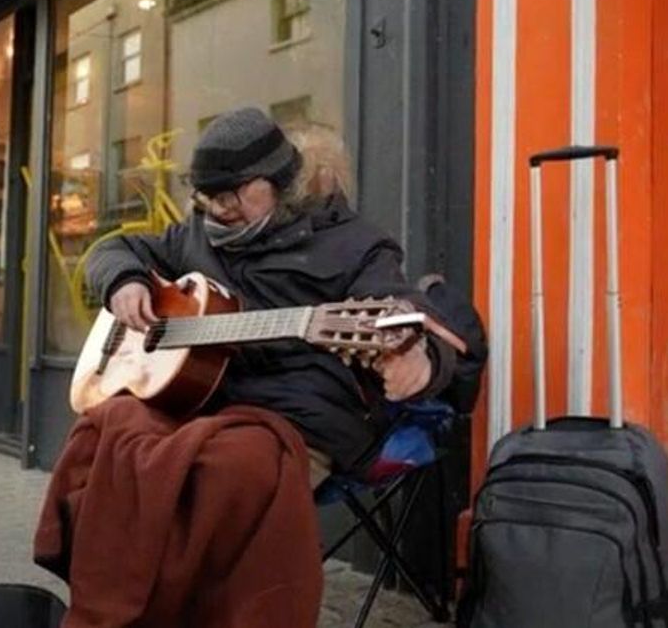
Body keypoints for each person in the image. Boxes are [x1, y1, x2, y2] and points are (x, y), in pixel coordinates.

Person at [35, 109, 461, 627]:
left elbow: (410, 314)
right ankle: (122, 606)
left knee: (223, 474)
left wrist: (420, 357)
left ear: (276, 184)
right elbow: (114, 249)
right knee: (101, 437)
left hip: (300, 418)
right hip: (202, 403)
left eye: (232, 196)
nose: (218, 209)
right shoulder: (197, 233)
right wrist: (123, 281)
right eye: (208, 197)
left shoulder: (356, 245)